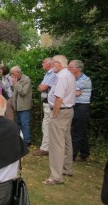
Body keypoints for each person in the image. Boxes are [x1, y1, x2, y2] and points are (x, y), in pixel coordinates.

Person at [43, 55, 76, 185]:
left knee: (56, 144)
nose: (51, 66)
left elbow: (59, 98)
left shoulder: (62, 76)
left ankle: (56, 177)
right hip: (68, 110)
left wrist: (54, 114)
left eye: (53, 63)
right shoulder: (69, 74)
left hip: (60, 112)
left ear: (58, 64)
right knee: (67, 141)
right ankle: (67, 168)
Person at [68, 59, 92, 162]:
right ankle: (84, 154)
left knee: (77, 132)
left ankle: (71, 157)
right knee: (82, 131)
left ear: (77, 69)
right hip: (76, 106)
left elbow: (69, 90)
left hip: (82, 107)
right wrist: (74, 91)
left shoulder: (85, 79)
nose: (68, 69)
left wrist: (73, 91)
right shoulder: (75, 78)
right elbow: (72, 91)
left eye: (70, 67)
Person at [34, 58, 57, 156]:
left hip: (50, 103)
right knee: (46, 124)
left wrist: (42, 86)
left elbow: (42, 87)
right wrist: (42, 86)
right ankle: (47, 147)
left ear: (50, 64)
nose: (42, 64)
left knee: (47, 125)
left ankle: (45, 148)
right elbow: (40, 87)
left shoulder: (53, 74)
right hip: (46, 102)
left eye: (44, 62)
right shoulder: (47, 74)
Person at [11, 66, 33, 147]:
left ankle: (27, 141)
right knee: (18, 124)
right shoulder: (16, 79)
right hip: (17, 106)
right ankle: (21, 139)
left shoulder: (26, 80)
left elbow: (23, 92)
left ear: (18, 73)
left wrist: (15, 84)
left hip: (24, 106)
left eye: (13, 73)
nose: (11, 75)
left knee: (25, 124)